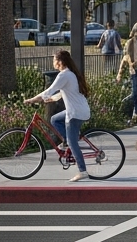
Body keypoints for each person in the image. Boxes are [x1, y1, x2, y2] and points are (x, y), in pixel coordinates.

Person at [24, 50, 91, 182]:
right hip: (79, 109)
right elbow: (63, 92)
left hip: (75, 113)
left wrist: (32, 100)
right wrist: (52, 99)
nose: (53, 62)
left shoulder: (64, 75)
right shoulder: (70, 74)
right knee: (55, 119)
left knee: (73, 143)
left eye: (54, 60)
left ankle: (82, 171)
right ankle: (67, 141)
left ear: (60, 62)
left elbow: (49, 90)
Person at [117, 21, 137, 125]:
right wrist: (120, 73)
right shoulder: (131, 42)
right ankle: (135, 112)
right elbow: (125, 57)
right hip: (136, 71)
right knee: (136, 93)